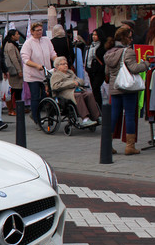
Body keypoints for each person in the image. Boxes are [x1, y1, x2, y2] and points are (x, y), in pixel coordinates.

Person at [104, 26, 149, 155]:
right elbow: (134, 68)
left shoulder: (109, 52)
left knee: (113, 116)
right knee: (129, 116)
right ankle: (130, 146)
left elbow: (107, 72)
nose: (131, 39)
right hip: (128, 88)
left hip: (115, 88)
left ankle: (107, 145)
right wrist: (145, 64)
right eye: (129, 37)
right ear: (124, 38)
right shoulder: (128, 52)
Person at [21, 22, 57, 129]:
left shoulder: (46, 40)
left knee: (47, 95)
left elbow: (52, 54)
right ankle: (36, 119)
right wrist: (36, 65)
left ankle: (43, 114)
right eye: (37, 30)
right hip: (33, 75)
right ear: (32, 31)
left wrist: (58, 62)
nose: (39, 32)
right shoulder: (28, 43)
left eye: (41, 30)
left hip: (46, 73)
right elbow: (26, 59)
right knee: (35, 96)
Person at [50, 56, 100, 127]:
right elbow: (54, 86)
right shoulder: (56, 75)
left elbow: (80, 80)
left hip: (76, 90)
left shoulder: (70, 72)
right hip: (64, 92)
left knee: (89, 94)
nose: (66, 65)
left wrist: (78, 82)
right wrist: (72, 83)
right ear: (57, 66)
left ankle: (96, 117)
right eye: (63, 64)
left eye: (66, 63)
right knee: (78, 96)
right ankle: (85, 119)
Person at [2, 29, 23, 116]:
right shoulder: (10, 45)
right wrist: (19, 70)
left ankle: (17, 108)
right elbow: (14, 59)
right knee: (13, 91)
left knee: (15, 91)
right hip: (13, 71)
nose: (18, 36)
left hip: (13, 71)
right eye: (17, 34)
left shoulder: (11, 44)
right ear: (12, 36)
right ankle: (12, 109)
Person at [84, 29, 107, 108]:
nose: (94, 37)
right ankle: (95, 107)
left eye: (96, 35)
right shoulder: (90, 45)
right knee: (94, 89)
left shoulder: (102, 46)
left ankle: (98, 107)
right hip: (91, 70)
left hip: (99, 71)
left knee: (96, 87)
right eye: (93, 35)